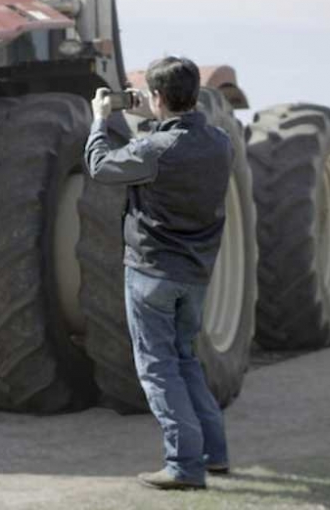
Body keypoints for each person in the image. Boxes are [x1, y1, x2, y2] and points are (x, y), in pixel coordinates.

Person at [83, 56, 233, 491]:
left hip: (151, 273)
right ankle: (214, 454)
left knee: (157, 369)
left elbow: (100, 166)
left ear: (158, 96)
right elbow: (175, 136)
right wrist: (157, 114)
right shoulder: (220, 142)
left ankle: (184, 466)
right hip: (195, 274)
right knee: (186, 361)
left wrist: (99, 120)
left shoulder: (153, 151)